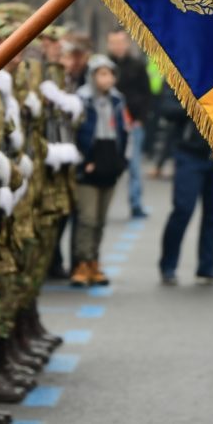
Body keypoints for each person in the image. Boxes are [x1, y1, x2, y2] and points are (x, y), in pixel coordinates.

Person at [71, 54, 128, 287]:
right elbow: (74, 131)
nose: (107, 79)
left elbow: (125, 131)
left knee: (101, 219)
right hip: (89, 164)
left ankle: (94, 261)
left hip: (110, 164)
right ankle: (81, 262)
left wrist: (122, 160)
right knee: (88, 218)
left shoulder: (117, 101)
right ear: (92, 76)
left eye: (110, 73)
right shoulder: (81, 100)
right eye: (102, 74)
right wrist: (84, 159)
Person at [157, 108, 213, 286]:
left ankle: (207, 266)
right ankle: (168, 266)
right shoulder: (186, 79)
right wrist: (197, 100)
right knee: (183, 210)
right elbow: (167, 109)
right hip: (190, 154)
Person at [106, 29, 152, 218]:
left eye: (120, 42)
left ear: (127, 43)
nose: (117, 46)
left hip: (132, 123)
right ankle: (103, 204)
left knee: (134, 167)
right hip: (108, 124)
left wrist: (141, 119)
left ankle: (136, 204)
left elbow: (147, 94)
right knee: (107, 164)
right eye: (114, 42)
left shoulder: (137, 66)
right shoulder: (104, 67)